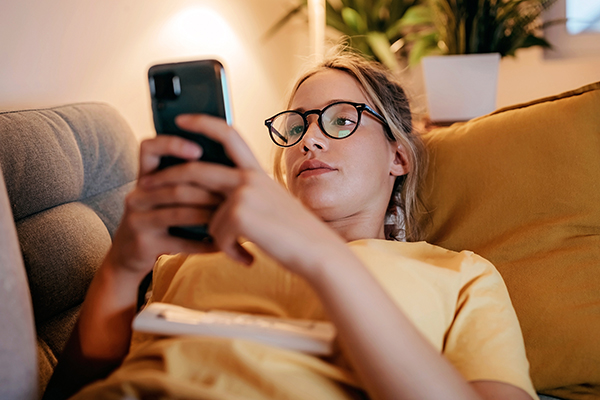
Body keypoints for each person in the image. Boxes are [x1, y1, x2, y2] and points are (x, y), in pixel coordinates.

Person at [44, 52, 537, 400]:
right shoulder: (191, 254)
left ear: (399, 156)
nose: (310, 141)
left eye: (341, 120)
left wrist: (322, 256)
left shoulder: (460, 276)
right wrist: (122, 268)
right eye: (296, 127)